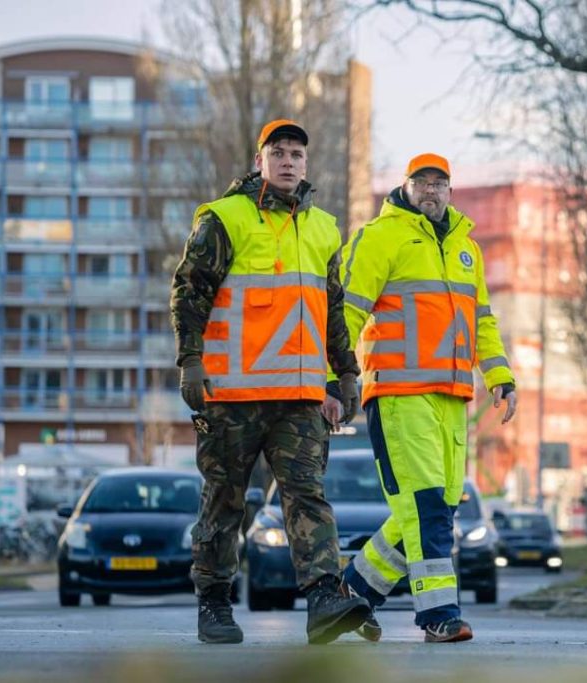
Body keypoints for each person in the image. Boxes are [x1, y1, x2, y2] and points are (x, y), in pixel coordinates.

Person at [170, 119, 369, 645]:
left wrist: (345, 373)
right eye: (277, 152)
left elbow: (331, 311)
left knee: (307, 496)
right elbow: (189, 292)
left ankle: (326, 596)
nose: (287, 161)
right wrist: (190, 361)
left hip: (299, 397)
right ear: (259, 160)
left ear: (306, 163)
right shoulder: (225, 218)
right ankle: (214, 601)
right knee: (225, 500)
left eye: (296, 154)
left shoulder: (325, 227)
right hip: (231, 396)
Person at [333, 153, 518, 643]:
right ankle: (438, 615)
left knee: (437, 507)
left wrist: (499, 375)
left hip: (454, 398)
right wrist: (336, 378)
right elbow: (345, 311)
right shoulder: (380, 237)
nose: (431, 191)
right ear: (406, 187)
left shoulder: (466, 249)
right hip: (398, 393)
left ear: (450, 191)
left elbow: (482, 320)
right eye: (422, 183)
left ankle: (352, 594)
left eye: (440, 183)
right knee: (427, 506)